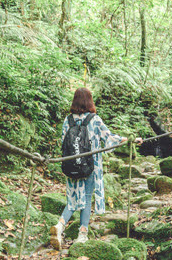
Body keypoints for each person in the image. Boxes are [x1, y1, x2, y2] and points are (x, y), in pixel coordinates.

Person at [49, 88, 141, 249]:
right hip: (91, 166)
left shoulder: (67, 120)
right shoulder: (94, 119)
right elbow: (110, 138)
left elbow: (64, 143)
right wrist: (130, 140)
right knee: (86, 198)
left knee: (72, 199)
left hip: (71, 164)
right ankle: (82, 234)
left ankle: (60, 225)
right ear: (89, 101)